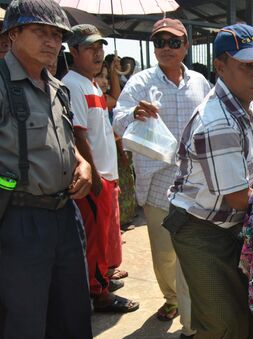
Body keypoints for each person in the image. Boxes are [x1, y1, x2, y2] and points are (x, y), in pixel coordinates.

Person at [165, 23, 253, 339]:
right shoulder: (218, 121)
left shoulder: (245, 106)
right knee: (222, 325)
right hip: (201, 229)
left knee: (246, 313)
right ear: (220, 66)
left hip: (229, 225)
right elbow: (239, 197)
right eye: (247, 66)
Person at [113, 18, 211, 338]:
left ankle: (190, 325)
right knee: (164, 253)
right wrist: (134, 115)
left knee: (187, 256)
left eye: (173, 42)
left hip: (196, 181)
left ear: (186, 46)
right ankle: (170, 298)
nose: (166, 48)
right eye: (160, 42)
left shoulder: (200, 82)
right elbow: (118, 120)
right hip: (157, 182)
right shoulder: (141, 82)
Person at [0, 0, 93, 337]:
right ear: (13, 33)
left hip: (65, 216)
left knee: (73, 313)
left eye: (57, 34)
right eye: (41, 32)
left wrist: (82, 165)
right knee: (24, 320)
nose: (52, 41)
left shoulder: (57, 89)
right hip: (20, 219)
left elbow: (66, 144)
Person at [62, 24, 138, 313]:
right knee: (94, 239)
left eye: (100, 48)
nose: (98, 54)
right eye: (91, 48)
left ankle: (102, 278)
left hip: (107, 175)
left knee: (106, 235)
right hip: (96, 178)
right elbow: (79, 136)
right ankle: (100, 294)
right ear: (74, 51)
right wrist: (92, 175)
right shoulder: (72, 84)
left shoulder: (91, 82)